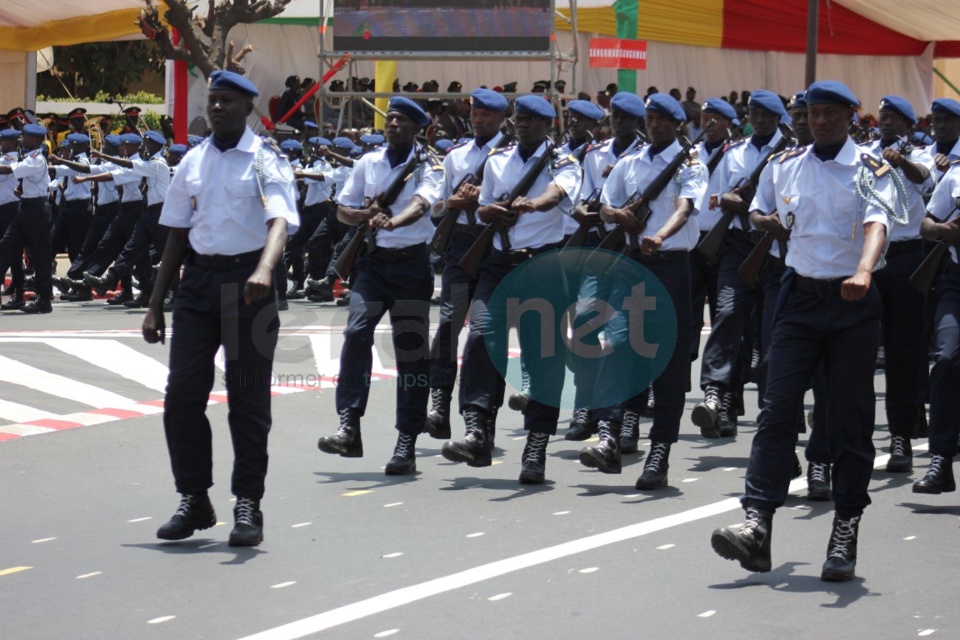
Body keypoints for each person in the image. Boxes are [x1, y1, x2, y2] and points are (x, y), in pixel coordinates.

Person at [711, 80, 897, 582]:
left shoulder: (870, 167)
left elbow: (878, 222)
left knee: (848, 420)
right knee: (776, 411)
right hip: (798, 299)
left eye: (830, 113)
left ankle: (845, 527)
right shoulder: (784, 165)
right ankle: (757, 523)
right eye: (812, 113)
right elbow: (758, 210)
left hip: (852, 305)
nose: (819, 121)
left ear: (850, 117)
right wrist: (763, 220)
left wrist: (862, 269)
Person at [144, 70, 299, 546]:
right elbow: (176, 233)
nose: (215, 108)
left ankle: (248, 503)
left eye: (226, 101)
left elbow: (279, 220)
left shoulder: (265, 159)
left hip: (248, 286)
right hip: (198, 286)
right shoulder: (191, 160)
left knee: (247, 402)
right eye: (212, 100)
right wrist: (155, 305)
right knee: (181, 398)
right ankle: (194, 497)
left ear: (248, 108)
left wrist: (265, 270)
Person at [441, 95, 582, 484]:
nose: (523, 124)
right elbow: (482, 207)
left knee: (542, 358)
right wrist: (491, 211)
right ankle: (477, 430)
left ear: (548, 125)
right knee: (481, 338)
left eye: (533, 120)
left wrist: (532, 204)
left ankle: (536, 444)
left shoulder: (564, 161)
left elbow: (558, 193)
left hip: (542, 266)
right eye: (519, 118)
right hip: (498, 264)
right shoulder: (497, 160)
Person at [316, 97, 443, 476]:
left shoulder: (430, 165)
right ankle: (349, 425)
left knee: (410, 355)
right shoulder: (367, 161)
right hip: (371, 265)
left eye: (401, 120)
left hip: (410, 266)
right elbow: (343, 209)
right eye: (390, 118)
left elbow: (423, 204)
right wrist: (364, 215)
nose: (392, 124)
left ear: (417, 129)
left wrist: (394, 221)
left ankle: (407, 441)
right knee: (355, 333)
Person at [584, 93, 706, 483]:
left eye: (661, 120)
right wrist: (616, 214)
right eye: (650, 119)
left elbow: (686, 208)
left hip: (670, 267)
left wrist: (661, 235)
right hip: (631, 266)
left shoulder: (691, 163)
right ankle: (608, 435)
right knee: (617, 346)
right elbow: (604, 205)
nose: (653, 125)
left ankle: (660, 452)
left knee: (667, 364)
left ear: (676, 125)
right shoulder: (629, 163)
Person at [693, 90, 789, 439]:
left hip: (774, 250)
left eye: (765, 114)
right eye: (753, 113)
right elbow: (713, 197)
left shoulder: (790, 154)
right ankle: (718, 395)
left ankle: (772, 410)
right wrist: (728, 199)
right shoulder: (734, 154)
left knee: (769, 333)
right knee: (728, 316)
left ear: (778, 117)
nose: (758, 119)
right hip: (736, 245)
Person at [424, 88, 509, 442]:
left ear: (501, 119)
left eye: (487, 114)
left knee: (486, 334)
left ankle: (483, 415)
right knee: (448, 324)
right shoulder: (456, 156)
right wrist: (455, 203)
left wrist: (482, 205)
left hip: (495, 246)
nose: (478, 118)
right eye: (475, 112)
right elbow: (436, 209)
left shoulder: (512, 156)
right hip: (460, 246)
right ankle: (440, 400)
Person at [565, 92, 646, 450]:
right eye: (615, 117)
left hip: (630, 252)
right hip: (599, 247)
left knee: (625, 338)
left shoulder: (645, 156)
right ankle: (584, 405)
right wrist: (583, 211)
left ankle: (626, 416)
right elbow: (580, 200)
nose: (618, 123)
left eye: (626, 119)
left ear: (637, 123)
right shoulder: (595, 154)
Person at [864, 96, 936, 473]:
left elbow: (924, 178)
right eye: (884, 117)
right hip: (866, 259)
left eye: (895, 118)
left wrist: (902, 161)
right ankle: (854, 430)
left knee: (903, 353)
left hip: (906, 258)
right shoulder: (863, 153)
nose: (887, 123)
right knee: (857, 348)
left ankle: (901, 438)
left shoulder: (922, 154)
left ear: (909, 125)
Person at [914, 145, 960, 494]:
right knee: (945, 360)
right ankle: (941, 459)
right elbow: (926, 222)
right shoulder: (956, 174)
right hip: (956, 281)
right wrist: (944, 230)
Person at [0, 123, 53, 313]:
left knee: (40, 256)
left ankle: (44, 300)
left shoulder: (37, 159)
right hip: (26, 208)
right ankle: (22, 295)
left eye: (28, 137)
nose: (24, 140)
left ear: (37, 140)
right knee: (6, 245)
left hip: (37, 209)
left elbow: (10, 170)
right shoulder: (30, 157)